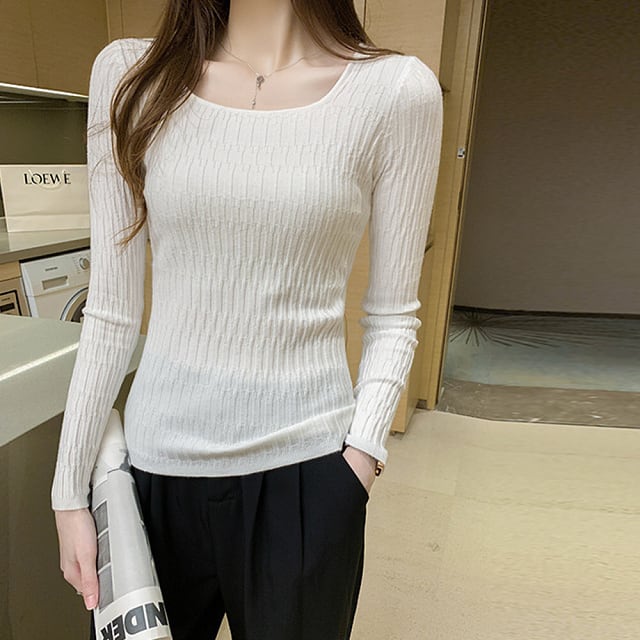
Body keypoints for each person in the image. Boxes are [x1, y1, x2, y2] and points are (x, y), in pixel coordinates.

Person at [51, 0, 443, 638]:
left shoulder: (395, 92)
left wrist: (360, 461)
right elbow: (112, 312)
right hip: (153, 476)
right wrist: (68, 492)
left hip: (308, 474)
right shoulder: (130, 75)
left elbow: (394, 314)